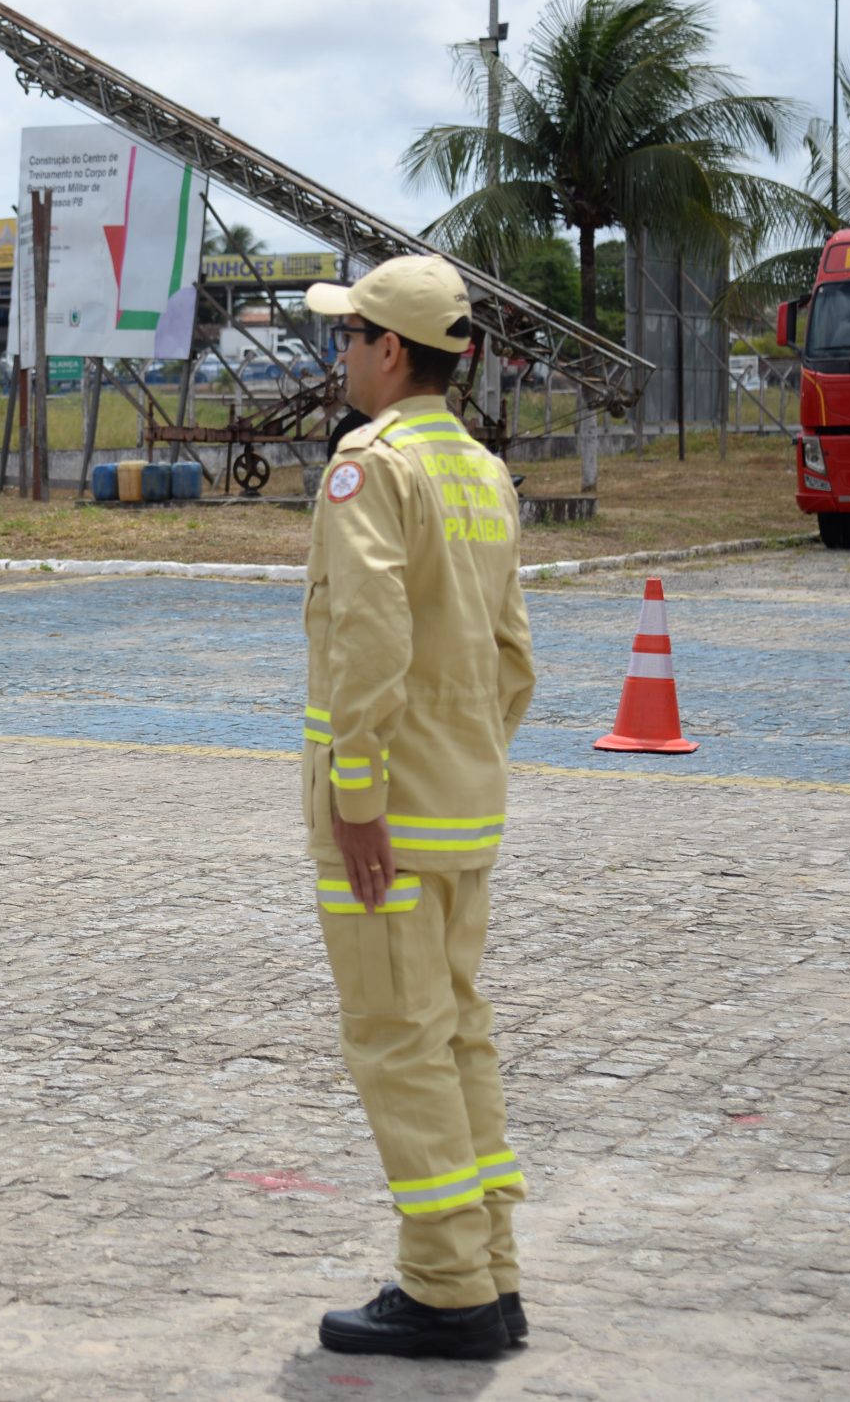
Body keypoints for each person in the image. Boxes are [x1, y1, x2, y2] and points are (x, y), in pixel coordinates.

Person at [297, 256, 535, 1360]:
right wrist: (464, 758)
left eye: (348, 335)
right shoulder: (482, 470)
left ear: (390, 349)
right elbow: (512, 655)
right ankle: (491, 1263)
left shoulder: (370, 464)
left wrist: (357, 791)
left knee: (396, 1036)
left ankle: (447, 1289)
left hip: (386, 815)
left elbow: (371, 635)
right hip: (463, 799)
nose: (340, 352)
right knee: (458, 1030)